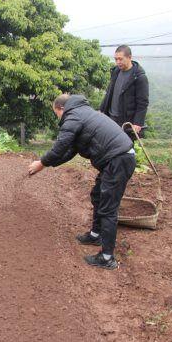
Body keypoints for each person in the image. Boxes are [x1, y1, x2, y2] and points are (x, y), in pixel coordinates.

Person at [29, 94, 136, 270]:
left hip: (118, 160)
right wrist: (47, 165)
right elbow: (70, 150)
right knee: (97, 196)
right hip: (116, 159)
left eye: (56, 113)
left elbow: (61, 146)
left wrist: (41, 163)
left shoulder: (73, 116)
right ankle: (96, 235)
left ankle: (107, 258)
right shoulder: (82, 113)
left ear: (61, 109)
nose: (58, 117)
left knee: (108, 208)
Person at [100, 45, 149, 136]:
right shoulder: (115, 71)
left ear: (129, 57)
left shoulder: (139, 77)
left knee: (124, 148)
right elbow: (109, 93)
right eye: (116, 59)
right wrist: (101, 109)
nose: (118, 62)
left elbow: (143, 103)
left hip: (125, 122)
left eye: (120, 59)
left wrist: (137, 123)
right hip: (110, 118)